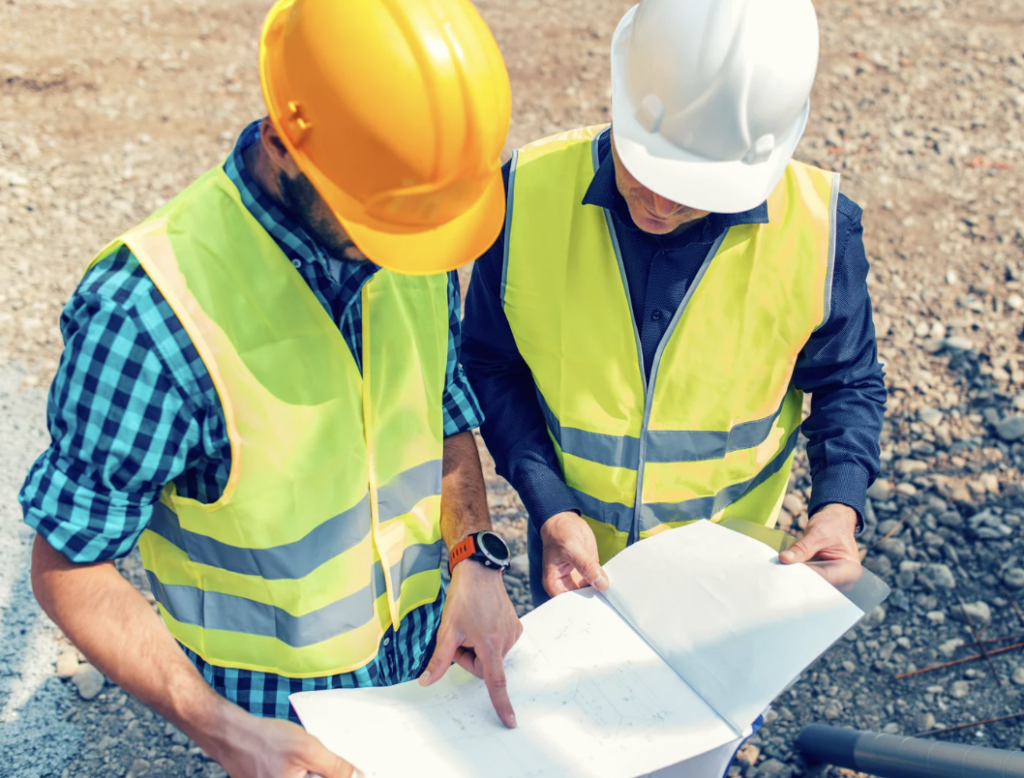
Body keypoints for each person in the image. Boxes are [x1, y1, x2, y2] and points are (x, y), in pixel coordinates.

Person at [23, 1, 521, 776]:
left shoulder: (412, 229)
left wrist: (473, 559)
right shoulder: (149, 314)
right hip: (275, 724)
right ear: (286, 140)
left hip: (428, 689)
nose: (406, 247)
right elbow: (70, 564)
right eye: (379, 219)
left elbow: (445, 412)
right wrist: (221, 729)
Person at [463, 0, 887, 610]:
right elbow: (489, 363)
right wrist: (549, 506)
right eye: (648, 169)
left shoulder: (819, 230)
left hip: (732, 582)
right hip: (574, 568)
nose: (660, 204)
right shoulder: (527, 194)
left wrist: (839, 506)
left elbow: (848, 380)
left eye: (694, 190)